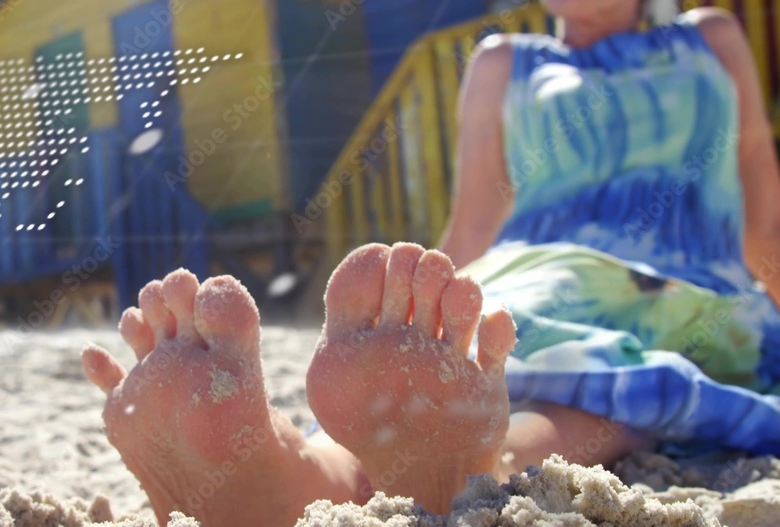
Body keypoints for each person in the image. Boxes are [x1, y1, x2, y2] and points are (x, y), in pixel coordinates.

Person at [80, 0, 780, 525]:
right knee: (455, 371)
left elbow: (765, 214)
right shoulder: (504, 63)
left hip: (683, 286)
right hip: (527, 272)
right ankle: (290, 469)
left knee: (595, 384)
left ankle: (428, 461)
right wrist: (425, 314)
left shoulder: (711, 39)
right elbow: (474, 222)